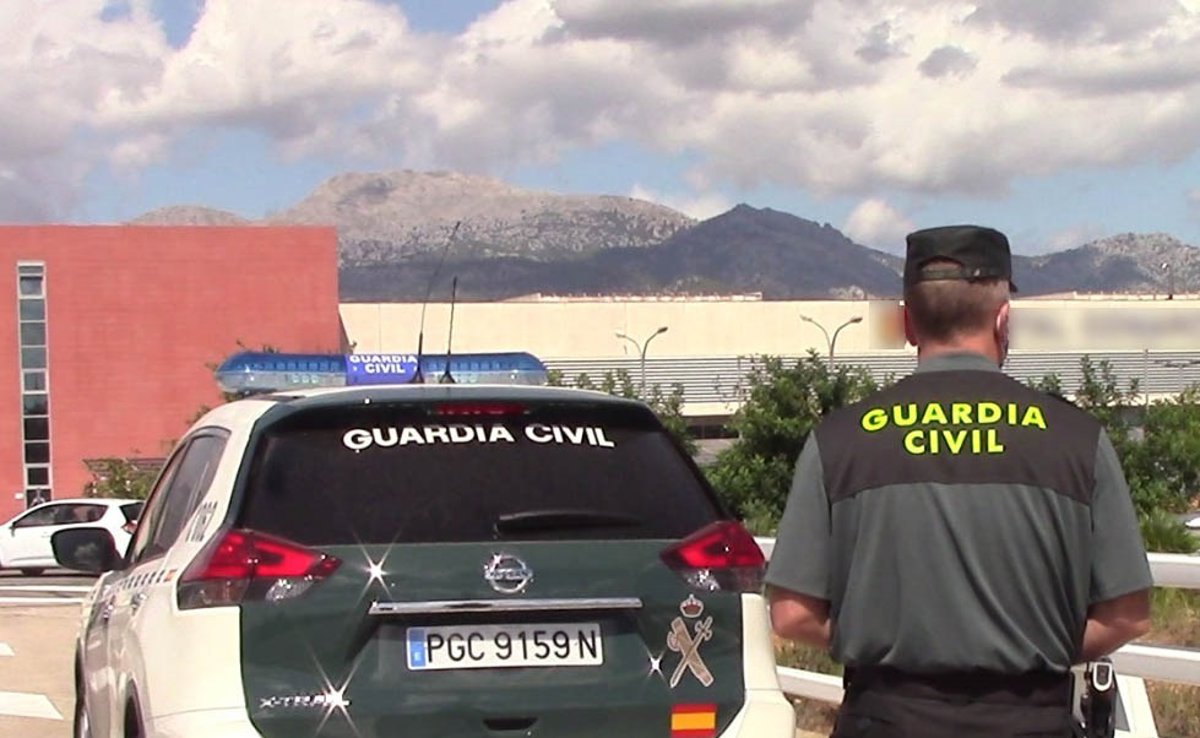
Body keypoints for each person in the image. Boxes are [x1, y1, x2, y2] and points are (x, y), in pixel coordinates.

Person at [765, 225, 1153, 737]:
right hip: (1030, 722)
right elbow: (1128, 614)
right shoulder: (1077, 440)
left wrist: (879, 641)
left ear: (907, 323)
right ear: (1003, 319)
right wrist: (1036, 647)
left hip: (885, 719)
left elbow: (792, 615)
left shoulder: (838, 442)